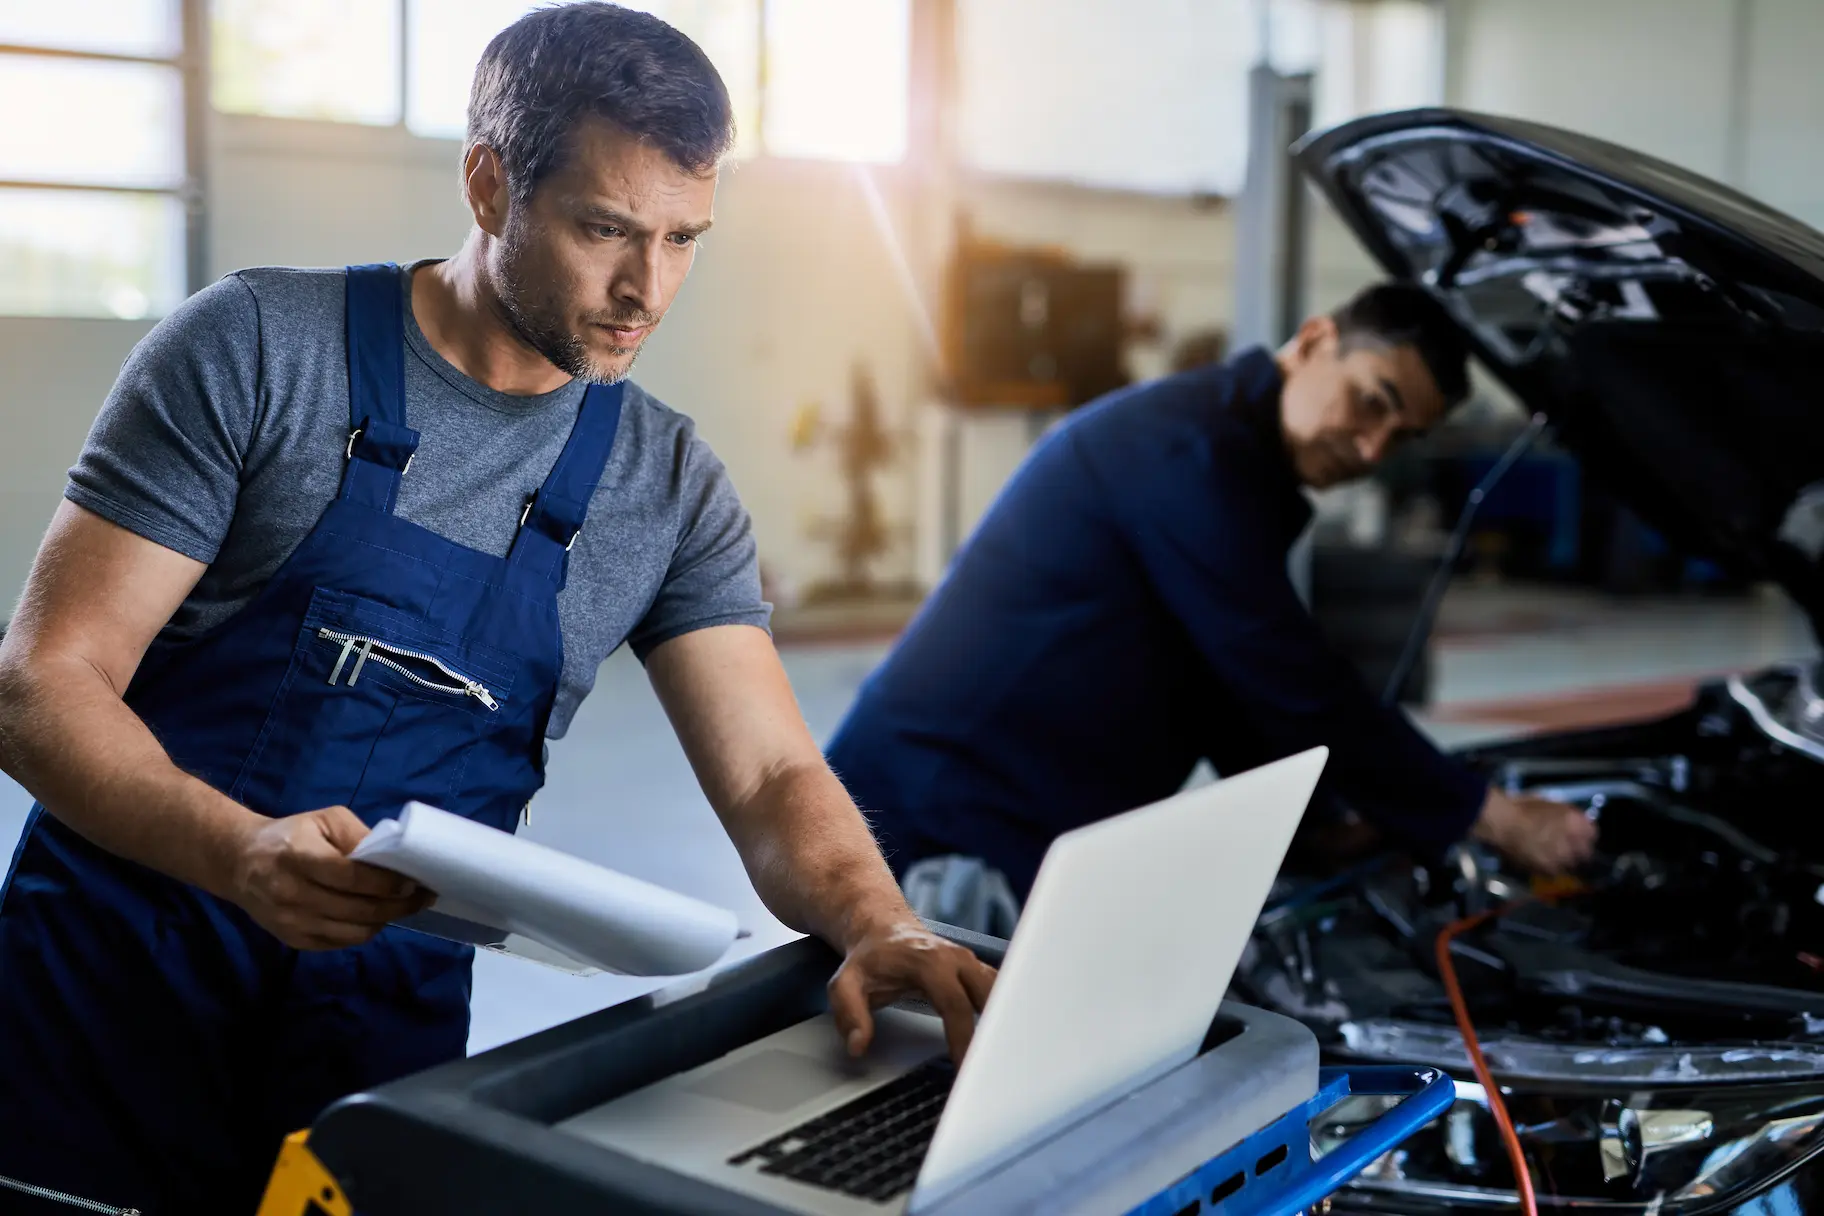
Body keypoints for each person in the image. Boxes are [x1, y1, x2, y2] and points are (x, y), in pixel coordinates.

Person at [0, 6, 993, 1211]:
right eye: (606, 230)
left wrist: (881, 921)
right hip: (106, 1012)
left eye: (686, 239)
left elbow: (772, 772)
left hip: (376, 1059)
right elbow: (42, 684)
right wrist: (237, 851)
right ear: (487, 185)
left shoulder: (664, 488)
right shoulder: (261, 349)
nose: (648, 290)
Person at [826, 284, 1598, 917]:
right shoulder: (1185, 451)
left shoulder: (1241, 469)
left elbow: (1218, 683)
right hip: (923, 827)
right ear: (1314, 340)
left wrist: (1320, 824)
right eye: (1371, 402)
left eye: (1400, 437)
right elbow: (1285, 674)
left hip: (1005, 821)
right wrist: (1486, 813)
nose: (1371, 450)